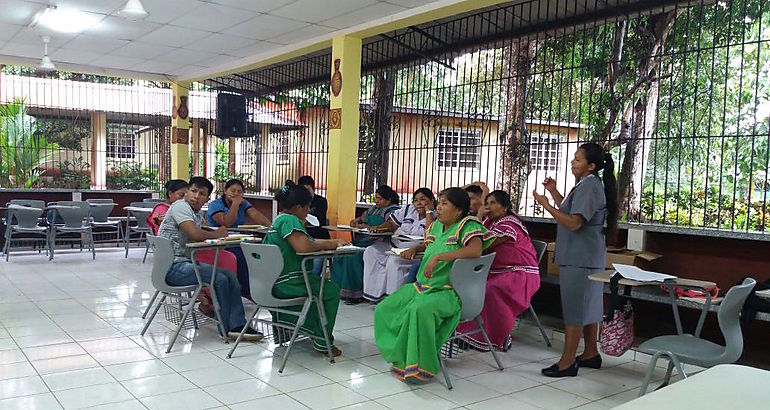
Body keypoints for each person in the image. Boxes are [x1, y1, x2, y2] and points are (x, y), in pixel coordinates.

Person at [374, 187, 488, 383]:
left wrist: (439, 257)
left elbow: (475, 250)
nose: (439, 208)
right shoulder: (436, 226)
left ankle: (421, 365)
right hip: (422, 288)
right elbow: (430, 245)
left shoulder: (468, 225)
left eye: (445, 204)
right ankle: (403, 357)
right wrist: (415, 248)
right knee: (385, 308)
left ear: (459, 210)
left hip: (449, 292)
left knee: (419, 310)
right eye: (440, 203)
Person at [533, 142, 617, 377]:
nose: (573, 162)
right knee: (587, 308)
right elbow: (571, 210)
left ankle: (567, 362)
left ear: (591, 166)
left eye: (578, 159)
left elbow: (574, 222)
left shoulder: (590, 187)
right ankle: (590, 353)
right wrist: (554, 192)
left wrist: (546, 205)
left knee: (575, 311)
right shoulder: (585, 184)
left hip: (581, 258)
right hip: (583, 256)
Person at [157, 176, 262, 341]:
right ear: (186, 193)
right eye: (193, 191)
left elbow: (197, 231)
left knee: (229, 276)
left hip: (182, 264)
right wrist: (217, 234)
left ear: (207, 198)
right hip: (172, 268)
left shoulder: (195, 213)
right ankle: (227, 327)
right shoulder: (181, 207)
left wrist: (210, 232)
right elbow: (195, 234)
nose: (196, 196)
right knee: (219, 278)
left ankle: (236, 325)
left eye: (201, 193)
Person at [262, 181, 348, 356]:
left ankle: (292, 331)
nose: (309, 211)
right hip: (289, 283)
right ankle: (323, 341)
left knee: (318, 288)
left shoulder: (280, 219)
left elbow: (309, 241)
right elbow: (304, 247)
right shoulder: (290, 220)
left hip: (271, 282)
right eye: (308, 207)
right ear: (299, 207)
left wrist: (334, 242)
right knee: (329, 290)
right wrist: (332, 244)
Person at [456, 190, 540, 351]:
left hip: (520, 274)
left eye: (492, 203)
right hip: (498, 272)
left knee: (489, 290)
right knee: (467, 287)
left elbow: (483, 242)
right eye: (486, 203)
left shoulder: (510, 224)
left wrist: (479, 215)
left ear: (505, 207)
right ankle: (470, 335)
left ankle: (497, 338)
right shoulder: (489, 223)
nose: (488, 207)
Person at [362, 187, 435, 302]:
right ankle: (374, 295)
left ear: (431, 201)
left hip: (414, 252)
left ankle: (393, 299)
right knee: (371, 251)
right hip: (394, 245)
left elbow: (430, 234)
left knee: (394, 261)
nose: (418, 203)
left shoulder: (436, 215)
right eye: (415, 200)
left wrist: (429, 212)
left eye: (423, 199)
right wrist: (380, 228)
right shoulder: (408, 210)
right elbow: (392, 223)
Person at [331, 185, 400, 303]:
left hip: (377, 242)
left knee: (353, 256)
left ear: (388, 200)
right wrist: (355, 221)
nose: (376, 201)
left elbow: (387, 227)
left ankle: (355, 294)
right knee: (340, 253)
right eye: (376, 198)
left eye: (380, 199)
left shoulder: (394, 211)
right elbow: (361, 218)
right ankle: (338, 290)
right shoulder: (373, 209)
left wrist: (367, 227)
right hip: (362, 240)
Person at [205, 178, 271, 298]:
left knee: (258, 254)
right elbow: (227, 223)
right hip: (221, 244)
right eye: (232, 190)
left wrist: (271, 227)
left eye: (239, 192)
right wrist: (235, 204)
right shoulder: (216, 205)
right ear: (225, 191)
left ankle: (259, 287)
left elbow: (255, 214)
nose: (236, 194)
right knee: (241, 257)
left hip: (239, 241)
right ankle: (247, 290)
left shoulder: (243, 203)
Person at [298, 175, 329, 276]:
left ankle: (313, 285)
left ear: (313, 189)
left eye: (308, 190)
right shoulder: (297, 203)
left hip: (318, 238)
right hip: (302, 239)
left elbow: (318, 219)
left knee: (314, 271)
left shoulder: (321, 201)